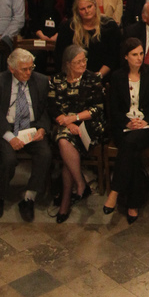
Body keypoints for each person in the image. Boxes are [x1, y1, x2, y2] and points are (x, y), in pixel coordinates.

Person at [0, 48, 52, 221]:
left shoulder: (41, 81)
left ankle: (29, 197)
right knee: (8, 159)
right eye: (24, 69)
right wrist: (10, 137)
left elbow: (45, 110)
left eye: (31, 68)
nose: (29, 72)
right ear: (11, 68)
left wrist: (42, 129)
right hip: (6, 129)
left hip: (31, 127)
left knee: (45, 154)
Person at [105, 38, 149, 222]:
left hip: (147, 127)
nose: (139, 58)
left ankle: (115, 191)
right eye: (134, 55)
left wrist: (144, 120)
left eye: (141, 54)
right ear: (125, 56)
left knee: (130, 145)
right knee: (131, 151)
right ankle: (133, 203)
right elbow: (112, 109)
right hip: (125, 126)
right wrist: (127, 122)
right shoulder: (116, 77)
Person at [48, 44, 106, 223]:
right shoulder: (56, 80)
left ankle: (66, 200)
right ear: (68, 64)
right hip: (63, 124)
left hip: (89, 125)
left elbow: (98, 108)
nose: (83, 64)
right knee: (65, 140)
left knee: (65, 143)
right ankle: (80, 183)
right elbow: (52, 108)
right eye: (78, 61)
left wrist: (74, 119)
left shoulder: (93, 79)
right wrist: (65, 121)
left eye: (84, 60)